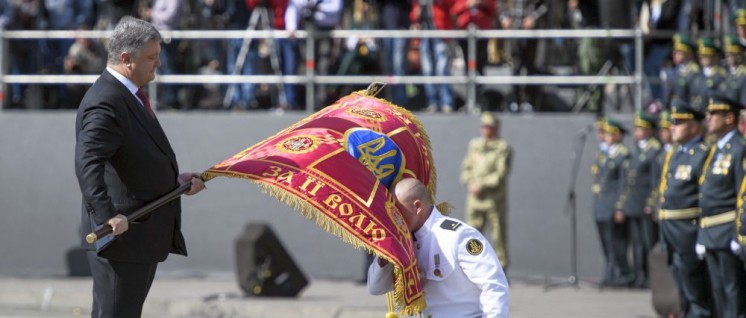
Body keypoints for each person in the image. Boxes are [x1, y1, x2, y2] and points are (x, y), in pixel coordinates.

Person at [74, 16, 205, 317]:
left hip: (138, 238)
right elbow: (87, 162)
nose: (158, 63)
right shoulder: (106, 102)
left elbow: (134, 159)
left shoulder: (127, 95)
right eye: (151, 57)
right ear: (126, 58)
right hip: (122, 238)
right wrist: (107, 219)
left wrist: (176, 181)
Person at [367, 178, 509, 317]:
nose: (394, 219)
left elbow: (493, 285)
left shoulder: (457, 235)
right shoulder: (404, 242)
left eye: (398, 213)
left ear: (417, 207)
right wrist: (385, 257)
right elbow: (375, 288)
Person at [657, 101, 711, 317]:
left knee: (696, 290)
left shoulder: (702, 153)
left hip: (688, 229)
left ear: (694, 127)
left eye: (679, 123)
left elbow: (704, 196)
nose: (673, 127)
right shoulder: (676, 153)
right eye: (673, 122)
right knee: (682, 286)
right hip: (671, 229)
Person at [697, 96, 746, 318]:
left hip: (727, 231)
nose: (708, 118)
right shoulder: (715, 148)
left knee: (732, 291)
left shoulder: (739, 148)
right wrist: (702, 233)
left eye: (714, 114)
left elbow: (741, 194)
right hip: (710, 232)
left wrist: (739, 235)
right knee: (718, 292)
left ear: (729, 117)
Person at [614, 112, 662, 288]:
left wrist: (651, 202)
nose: (637, 132)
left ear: (649, 130)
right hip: (633, 204)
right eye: (636, 128)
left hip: (645, 204)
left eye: (641, 128)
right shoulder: (638, 151)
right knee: (637, 243)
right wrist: (623, 204)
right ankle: (639, 274)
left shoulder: (654, 150)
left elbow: (655, 180)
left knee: (649, 242)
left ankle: (651, 276)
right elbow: (628, 180)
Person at [460, 112, 512, 269]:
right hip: (475, 200)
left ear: (495, 128)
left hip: (494, 200)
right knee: (471, 235)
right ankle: (471, 267)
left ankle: (501, 269)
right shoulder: (475, 144)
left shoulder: (502, 147)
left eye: (489, 127)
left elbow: (500, 174)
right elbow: (466, 167)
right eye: (483, 126)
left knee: (498, 237)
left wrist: (480, 185)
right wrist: (469, 182)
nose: (485, 130)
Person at [599, 119, 632, 287]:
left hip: (613, 204)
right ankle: (610, 272)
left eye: (611, 134)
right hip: (602, 205)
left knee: (617, 242)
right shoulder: (605, 154)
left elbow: (624, 183)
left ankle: (622, 273)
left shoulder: (623, 154)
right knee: (606, 241)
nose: (606, 137)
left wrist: (620, 206)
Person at [690, 37, 728, 112]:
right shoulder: (698, 75)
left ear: (715, 57)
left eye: (706, 55)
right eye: (701, 55)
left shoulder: (721, 75)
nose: (702, 58)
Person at [668, 34, 700, 109]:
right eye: (674, 52)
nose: (675, 55)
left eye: (679, 52)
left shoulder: (693, 71)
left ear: (689, 54)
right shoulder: (677, 70)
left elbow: (694, 96)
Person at [725, 34, 746, 107]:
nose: (729, 57)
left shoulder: (743, 75)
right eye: (728, 54)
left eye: (733, 54)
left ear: (740, 55)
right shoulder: (730, 74)